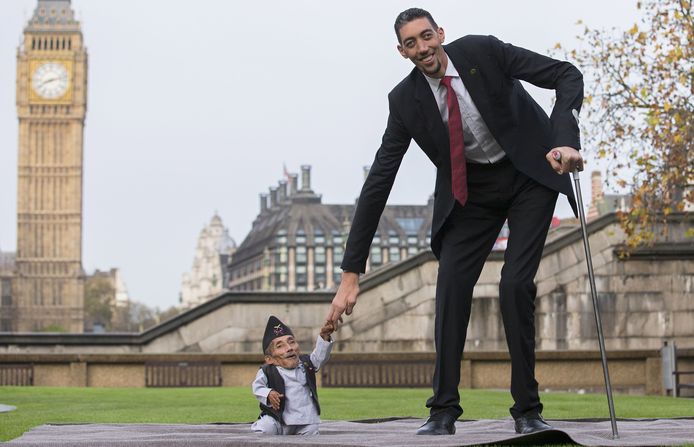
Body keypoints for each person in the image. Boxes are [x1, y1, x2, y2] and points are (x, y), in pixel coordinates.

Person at [327, 7, 584, 436]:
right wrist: (351, 273)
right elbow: (379, 182)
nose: (423, 48)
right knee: (449, 287)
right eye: (411, 43)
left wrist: (564, 140)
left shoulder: (484, 50)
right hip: (472, 194)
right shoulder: (404, 101)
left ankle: (527, 411)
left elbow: (566, 74)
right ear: (401, 51)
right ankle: (443, 409)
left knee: (514, 285)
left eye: (427, 36)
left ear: (440, 33)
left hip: (529, 175)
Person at [251, 315, 335, 435]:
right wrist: (268, 393)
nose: (289, 348)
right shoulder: (267, 371)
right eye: (280, 346)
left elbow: (320, 356)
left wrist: (324, 337)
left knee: (312, 433)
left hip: (305, 420)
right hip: (278, 419)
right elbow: (257, 387)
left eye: (292, 342)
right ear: (269, 359)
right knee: (265, 428)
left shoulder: (306, 363)